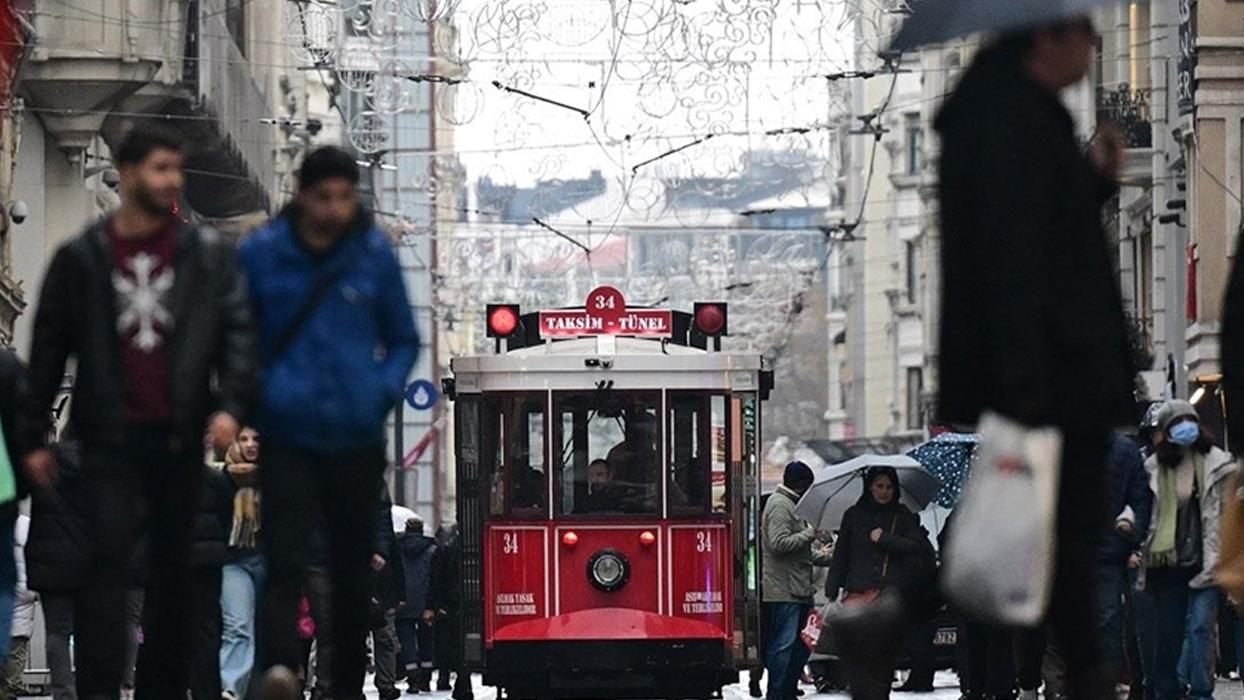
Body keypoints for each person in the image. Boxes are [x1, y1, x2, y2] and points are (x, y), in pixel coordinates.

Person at [840, 16, 1136, 700]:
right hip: (1054, 368)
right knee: (1060, 527)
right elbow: (1015, 257)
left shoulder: (1002, 116)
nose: (1093, 46)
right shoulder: (1016, 124)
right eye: (1083, 32)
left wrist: (1091, 184)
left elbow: (1033, 233)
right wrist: (1028, 376)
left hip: (1044, 366)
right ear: (1044, 40)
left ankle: (891, 618)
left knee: (1051, 529)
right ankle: (894, 618)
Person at [20, 122, 255, 700]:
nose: (171, 180)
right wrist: (31, 439)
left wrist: (229, 407)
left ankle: (164, 689)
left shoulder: (203, 256)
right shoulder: (83, 257)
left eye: (176, 169)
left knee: (172, 579)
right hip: (107, 439)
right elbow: (48, 348)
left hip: (177, 440)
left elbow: (238, 333)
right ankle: (100, 688)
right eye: (159, 168)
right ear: (126, 174)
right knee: (107, 574)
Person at [242, 145, 420, 700]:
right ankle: (278, 671)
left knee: (348, 574)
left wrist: (379, 393)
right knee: (284, 559)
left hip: (354, 436)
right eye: (324, 197)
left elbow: (404, 339)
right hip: (287, 431)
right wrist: (258, 396)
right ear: (302, 194)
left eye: (346, 197)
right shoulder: (263, 254)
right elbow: (237, 332)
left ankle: (341, 686)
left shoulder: (372, 255)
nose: (334, 209)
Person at [1141, 400, 1235, 700]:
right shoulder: (1154, 468)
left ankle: (1202, 692)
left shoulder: (1218, 464)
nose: (1185, 427)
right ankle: (1168, 690)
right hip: (1168, 567)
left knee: (1200, 629)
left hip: (1207, 560)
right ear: (1165, 431)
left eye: (1189, 420)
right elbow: (1148, 515)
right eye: (1177, 422)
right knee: (1168, 635)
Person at [824, 467, 932, 698]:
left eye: (889, 487)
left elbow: (917, 548)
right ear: (869, 487)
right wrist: (832, 589)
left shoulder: (903, 515)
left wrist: (885, 539)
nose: (884, 492)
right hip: (857, 594)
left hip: (889, 598)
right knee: (857, 655)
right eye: (879, 486)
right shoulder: (853, 515)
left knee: (883, 656)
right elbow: (842, 554)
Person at [761, 461, 833, 700]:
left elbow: (800, 551)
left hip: (799, 587)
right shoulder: (781, 505)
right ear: (802, 485)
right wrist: (810, 533)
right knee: (783, 645)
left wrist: (825, 556)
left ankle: (788, 689)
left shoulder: (792, 505)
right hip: (783, 589)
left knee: (802, 644)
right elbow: (779, 544)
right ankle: (777, 693)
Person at [25, 438, 86, 700]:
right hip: (88, 564)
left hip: (51, 566)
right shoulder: (94, 470)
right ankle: (92, 689)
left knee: (57, 632)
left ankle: (63, 692)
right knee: (90, 631)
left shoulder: (45, 469)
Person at [1098, 434, 1154, 687]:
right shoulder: (1126, 449)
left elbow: (1140, 499)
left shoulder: (1061, 440)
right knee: (1113, 621)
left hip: (1101, 550)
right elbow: (1141, 499)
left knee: (1107, 620)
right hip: (1110, 548)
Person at [221, 428, 265, 700]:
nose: (250, 445)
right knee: (238, 626)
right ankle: (231, 689)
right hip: (233, 560)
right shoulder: (222, 476)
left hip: (269, 557)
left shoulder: (277, 475)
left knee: (266, 629)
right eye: (244, 439)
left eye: (256, 439)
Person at [187, 461, 233, 700]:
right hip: (208, 562)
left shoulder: (162, 475)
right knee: (207, 632)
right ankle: (206, 691)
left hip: (176, 562)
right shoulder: (215, 479)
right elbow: (227, 516)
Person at [427, 524, 472, 700]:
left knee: (448, 644)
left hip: (449, 603)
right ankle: (462, 682)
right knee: (461, 644)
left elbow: (436, 579)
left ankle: (449, 679)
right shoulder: (469, 546)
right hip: (465, 600)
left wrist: (433, 605)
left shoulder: (445, 548)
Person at [397, 514, 437, 694]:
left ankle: (412, 678)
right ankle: (426, 679)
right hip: (425, 604)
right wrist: (432, 605)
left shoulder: (397, 549)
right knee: (426, 640)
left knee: (407, 642)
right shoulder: (432, 549)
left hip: (403, 602)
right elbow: (436, 579)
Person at [3, 512, 36, 698]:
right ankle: (13, 683)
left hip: (5, 583)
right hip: (25, 585)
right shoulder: (25, 523)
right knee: (18, 640)